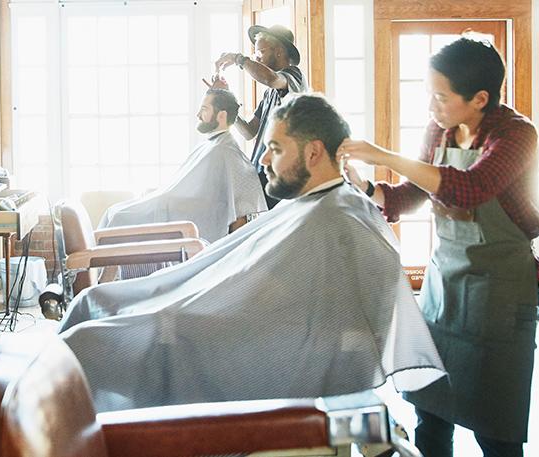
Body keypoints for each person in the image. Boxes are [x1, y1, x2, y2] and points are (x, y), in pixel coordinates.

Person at [59, 94, 444, 413]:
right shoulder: (314, 204)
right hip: (247, 324)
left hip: (269, 350)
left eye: (275, 149)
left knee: (90, 343)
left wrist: (179, 316)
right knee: (93, 300)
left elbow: (297, 318)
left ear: (314, 152)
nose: (262, 160)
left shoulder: (340, 220)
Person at [338, 36, 539, 457]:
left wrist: (385, 154)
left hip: (501, 296)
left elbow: (471, 188)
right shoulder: (440, 131)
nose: (431, 108)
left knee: (496, 426)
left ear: (480, 98)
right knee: (431, 412)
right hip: (444, 292)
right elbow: (409, 196)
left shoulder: (516, 134)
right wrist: (365, 186)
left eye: (440, 96)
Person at [98, 89, 267, 243]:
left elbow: (238, 206)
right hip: (169, 204)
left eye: (205, 109)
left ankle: (104, 274)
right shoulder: (211, 144)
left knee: (118, 217)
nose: (198, 114)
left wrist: (167, 199)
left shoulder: (226, 151)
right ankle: (101, 274)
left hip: (181, 214)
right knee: (113, 212)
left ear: (221, 115)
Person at [211, 24, 306, 210]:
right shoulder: (269, 93)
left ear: (279, 52)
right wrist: (228, 102)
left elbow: (270, 79)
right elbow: (249, 132)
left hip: (282, 176)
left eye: (261, 51)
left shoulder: (294, 76)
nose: (257, 57)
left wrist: (238, 59)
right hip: (262, 174)